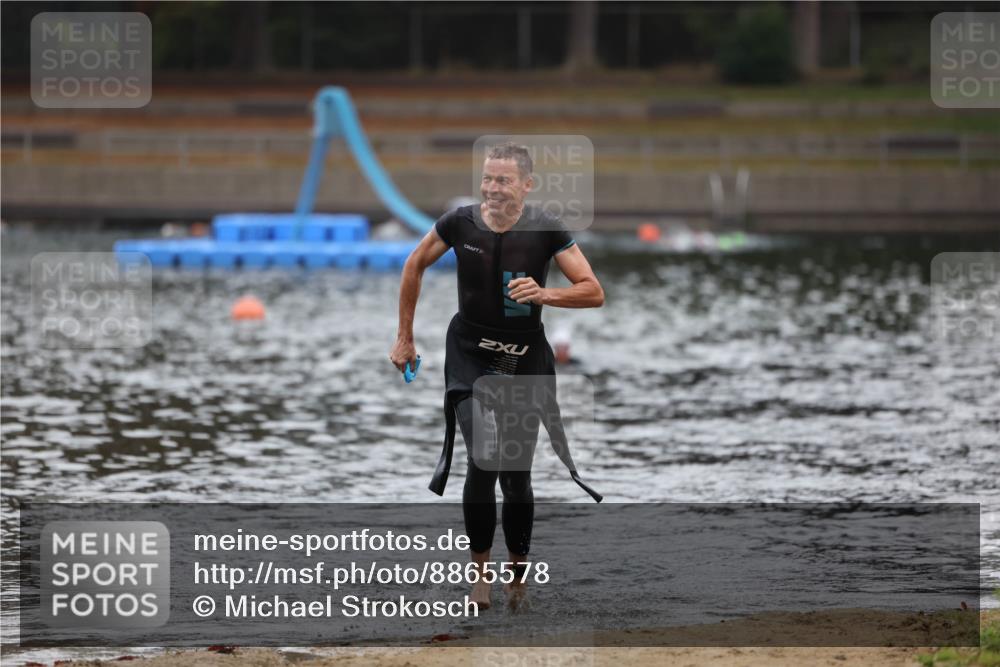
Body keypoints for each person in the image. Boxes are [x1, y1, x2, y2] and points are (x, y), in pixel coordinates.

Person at [389, 142, 604, 611]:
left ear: (526, 185)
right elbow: (414, 264)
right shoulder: (459, 223)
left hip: (524, 359)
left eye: (502, 180)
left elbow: (593, 291)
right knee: (483, 459)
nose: (491, 189)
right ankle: (480, 579)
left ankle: (518, 581)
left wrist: (545, 294)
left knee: (516, 477)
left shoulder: (546, 228)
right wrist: (404, 337)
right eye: (487, 179)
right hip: (470, 354)